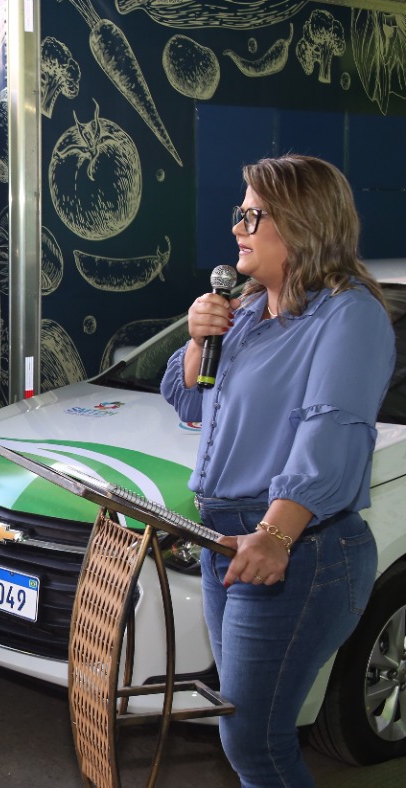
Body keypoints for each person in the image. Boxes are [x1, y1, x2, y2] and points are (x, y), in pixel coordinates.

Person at [160, 154, 393, 786]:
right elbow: (191, 402)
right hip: (227, 543)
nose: (237, 227)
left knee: (254, 742)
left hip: (297, 550)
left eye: (252, 214)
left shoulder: (347, 314)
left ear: (300, 220)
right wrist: (196, 339)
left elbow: (331, 433)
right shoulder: (248, 309)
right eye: (239, 213)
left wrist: (275, 534)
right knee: (245, 732)